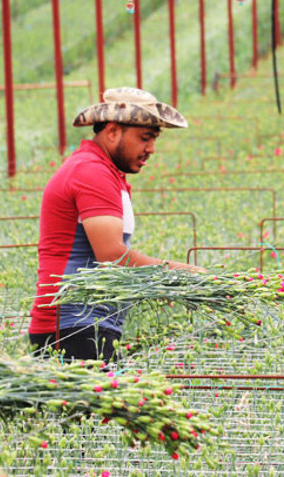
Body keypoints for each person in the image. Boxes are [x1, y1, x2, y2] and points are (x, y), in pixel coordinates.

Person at [28, 87, 196, 362]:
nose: (151, 149)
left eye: (154, 140)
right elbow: (112, 256)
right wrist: (179, 274)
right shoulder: (91, 172)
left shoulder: (105, 172)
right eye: (145, 138)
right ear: (113, 131)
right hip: (73, 327)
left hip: (86, 325)